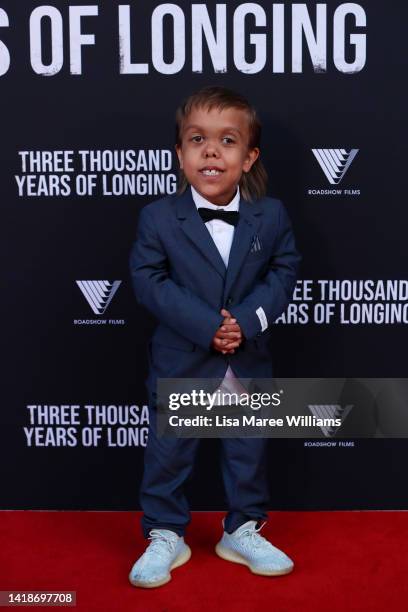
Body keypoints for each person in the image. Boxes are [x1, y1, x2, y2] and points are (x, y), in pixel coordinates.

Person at [128, 85, 301, 588]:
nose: (210, 150)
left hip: (246, 356)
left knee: (247, 450)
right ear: (180, 155)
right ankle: (165, 534)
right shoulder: (158, 218)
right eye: (196, 139)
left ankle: (242, 528)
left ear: (248, 158)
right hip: (183, 356)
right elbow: (149, 281)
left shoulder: (271, 217)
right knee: (170, 452)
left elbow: (285, 272)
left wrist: (243, 323)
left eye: (227, 141)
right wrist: (209, 328)